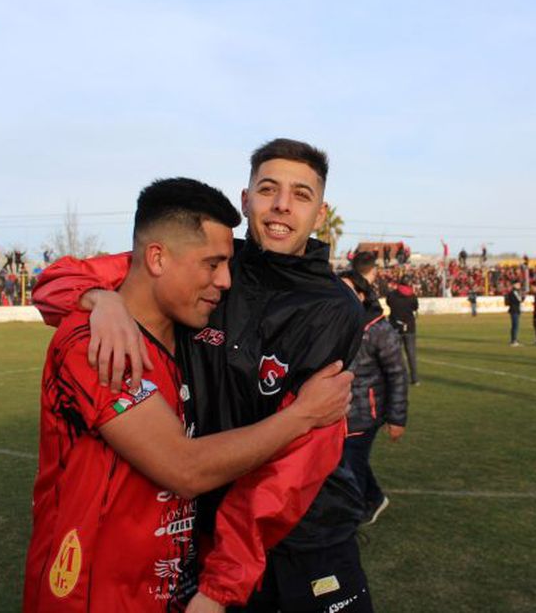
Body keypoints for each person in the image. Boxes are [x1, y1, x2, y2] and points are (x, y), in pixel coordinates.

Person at [32, 139, 374, 612]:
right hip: (206, 536)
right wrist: (99, 299)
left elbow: (298, 457)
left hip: (304, 536)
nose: (281, 205)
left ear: (320, 212)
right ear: (246, 199)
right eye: (269, 188)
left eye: (301, 194)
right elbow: (64, 278)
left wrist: (221, 585)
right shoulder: (207, 260)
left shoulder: (331, 309)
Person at [339, 271, 408, 526]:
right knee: (348, 460)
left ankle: (354, 515)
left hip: (365, 413)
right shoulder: (335, 323)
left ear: (362, 294)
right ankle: (375, 498)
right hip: (340, 412)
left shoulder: (379, 329)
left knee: (350, 463)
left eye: (349, 291)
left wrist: (397, 419)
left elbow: (397, 375)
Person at [386, 268, 420, 387]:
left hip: (395, 326)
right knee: (411, 354)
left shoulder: (392, 295)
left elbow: (388, 303)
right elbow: (415, 308)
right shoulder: (412, 296)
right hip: (409, 327)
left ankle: (399, 379)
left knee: (397, 355)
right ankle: (415, 379)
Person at [505, 280, 523, 346]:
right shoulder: (515, 292)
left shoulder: (513, 292)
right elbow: (520, 299)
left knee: (514, 326)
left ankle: (514, 339)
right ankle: (514, 340)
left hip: (514, 310)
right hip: (515, 310)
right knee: (515, 326)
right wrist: (523, 296)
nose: (519, 286)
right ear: (514, 285)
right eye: (518, 284)